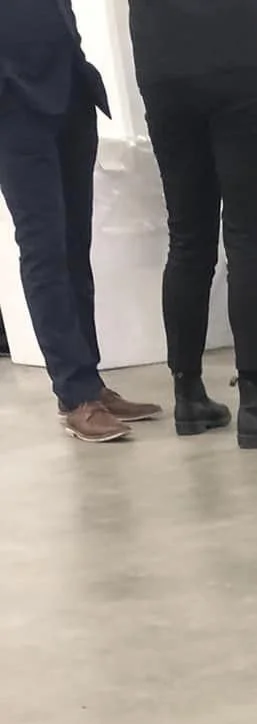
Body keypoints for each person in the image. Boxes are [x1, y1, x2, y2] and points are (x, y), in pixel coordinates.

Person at [128, 0, 257, 446]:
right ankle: (256, 404)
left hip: (163, 62)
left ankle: (189, 395)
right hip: (242, 54)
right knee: (250, 241)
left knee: (187, 239)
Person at [0, 0, 161, 441]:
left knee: (75, 247)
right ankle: (75, 394)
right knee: (44, 248)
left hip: (70, 90)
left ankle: (88, 382)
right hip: (13, 103)